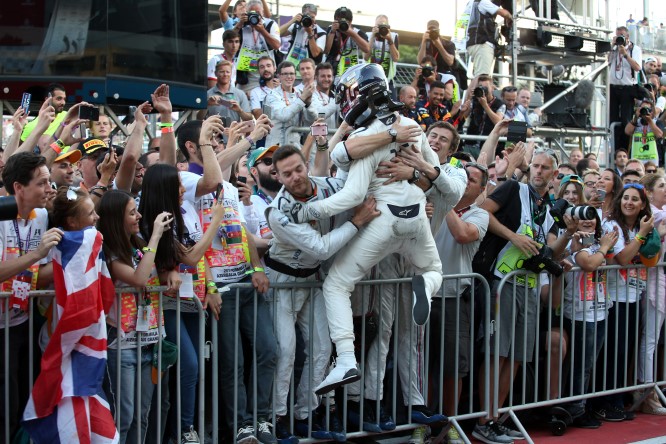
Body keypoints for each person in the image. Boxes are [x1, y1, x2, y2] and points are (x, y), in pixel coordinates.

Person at [279, 63, 465, 395]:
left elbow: (348, 189)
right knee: (433, 268)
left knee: (336, 285)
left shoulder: (366, 138)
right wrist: (418, 167)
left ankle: (346, 359)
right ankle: (428, 285)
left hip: (384, 220)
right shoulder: (411, 127)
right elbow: (447, 188)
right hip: (416, 219)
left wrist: (307, 209)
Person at [266, 144, 379, 440]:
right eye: (287, 174)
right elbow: (321, 247)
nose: (295, 177)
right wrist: (357, 221)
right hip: (282, 283)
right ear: (277, 177)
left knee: (322, 349)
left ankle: (305, 413)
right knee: (286, 353)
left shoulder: (326, 186)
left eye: (298, 169)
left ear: (306, 165)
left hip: (313, 279)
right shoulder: (279, 213)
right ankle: (276, 417)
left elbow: (352, 187)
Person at [472, 148, 560, 444]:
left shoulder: (545, 206)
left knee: (518, 356)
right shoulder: (513, 188)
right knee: (498, 352)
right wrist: (513, 236)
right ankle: (484, 420)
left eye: (545, 168)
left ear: (553, 175)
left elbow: (550, 247)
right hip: (502, 282)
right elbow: (481, 211)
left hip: (531, 285)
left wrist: (567, 237)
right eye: (535, 165)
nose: (538, 171)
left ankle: (496, 418)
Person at [139, 164, 226, 444]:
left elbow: (199, 257)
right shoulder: (154, 219)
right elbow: (190, 256)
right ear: (163, 188)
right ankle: (184, 430)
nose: (182, 188)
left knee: (194, 365)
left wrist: (211, 286)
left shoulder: (186, 209)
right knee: (188, 365)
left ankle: (183, 428)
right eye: (176, 184)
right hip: (167, 304)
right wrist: (215, 222)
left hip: (194, 299)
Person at [96, 189, 173, 444]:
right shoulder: (109, 251)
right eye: (132, 213)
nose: (138, 216)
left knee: (142, 414)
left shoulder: (138, 244)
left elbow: (153, 273)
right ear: (116, 219)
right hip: (122, 343)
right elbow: (139, 278)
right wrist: (156, 235)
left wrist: (171, 272)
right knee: (124, 416)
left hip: (149, 339)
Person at [0, 152, 62, 439]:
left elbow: (37, 270)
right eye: (41, 183)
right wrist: (37, 254)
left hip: (23, 319)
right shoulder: (0, 217)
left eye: (49, 181)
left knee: (25, 398)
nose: (49, 189)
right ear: (18, 188)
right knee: (5, 402)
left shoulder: (43, 216)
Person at [431, 162, 489, 444]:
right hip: (422, 295)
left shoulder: (480, 214)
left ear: (482, 189)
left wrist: (443, 198)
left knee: (454, 367)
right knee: (425, 367)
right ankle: (426, 423)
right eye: (462, 177)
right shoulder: (431, 201)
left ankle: (450, 423)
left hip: (454, 298)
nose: (465, 182)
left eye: (473, 179)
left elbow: (463, 234)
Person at [591, 184, 654, 422]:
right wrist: (641, 235)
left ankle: (616, 400)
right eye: (625, 198)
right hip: (613, 298)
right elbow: (624, 259)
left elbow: (650, 256)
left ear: (642, 205)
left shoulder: (642, 226)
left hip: (634, 296)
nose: (629, 202)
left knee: (624, 353)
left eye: (634, 199)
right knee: (611, 353)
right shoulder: (611, 225)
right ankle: (603, 402)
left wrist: (648, 233)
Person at [560, 213, 619, 427]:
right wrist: (602, 247)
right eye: (582, 217)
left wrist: (605, 246)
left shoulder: (597, 244)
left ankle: (583, 405)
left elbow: (609, 260)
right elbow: (589, 263)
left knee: (589, 363)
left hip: (600, 309)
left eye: (592, 217)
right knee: (581, 365)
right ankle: (576, 409)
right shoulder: (575, 246)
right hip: (580, 313)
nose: (587, 221)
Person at [636, 173, 666, 415]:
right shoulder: (652, 217)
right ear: (649, 191)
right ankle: (647, 393)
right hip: (653, 282)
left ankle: (652, 390)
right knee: (650, 340)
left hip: (660, 281)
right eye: (661, 186)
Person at [232, 0, 281, 93]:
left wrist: (262, 30)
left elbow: (276, 45)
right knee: (241, 100)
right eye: (252, 12)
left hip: (267, 75)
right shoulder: (241, 24)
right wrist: (240, 24)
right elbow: (229, 38)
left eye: (258, 12)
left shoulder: (270, 24)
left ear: (262, 12)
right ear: (246, 12)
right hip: (246, 76)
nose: (255, 15)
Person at [264, 61, 316, 148]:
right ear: (279, 76)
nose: (289, 76)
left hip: (294, 146)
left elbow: (311, 119)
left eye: (291, 73)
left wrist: (308, 104)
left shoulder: (300, 94)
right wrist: (302, 99)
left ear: (295, 76)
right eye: (285, 74)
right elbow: (283, 115)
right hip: (275, 146)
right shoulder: (272, 95)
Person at [608, 26, 642, 152]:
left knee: (625, 120)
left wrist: (626, 55)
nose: (620, 38)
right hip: (613, 86)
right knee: (613, 120)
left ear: (627, 37)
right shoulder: (614, 49)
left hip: (628, 87)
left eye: (621, 36)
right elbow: (607, 61)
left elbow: (638, 67)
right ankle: (615, 148)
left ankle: (624, 149)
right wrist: (612, 48)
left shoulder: (635, 49)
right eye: (618, 36)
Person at [464, 0, 513, 76]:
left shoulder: (470, 3)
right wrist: (511, 17)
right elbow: (504, 13)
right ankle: (478, 88)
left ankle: (474, 88)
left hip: (473, 42)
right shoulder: (483, 2)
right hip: (482, 44)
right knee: (483, 78)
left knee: (480, 77)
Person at [461, 75, 505, 158]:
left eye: (485, 88)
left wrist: (485, 105)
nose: (483, 90)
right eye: (480, 87)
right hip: (470, 143)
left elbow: (498, 122)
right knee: (462, 166)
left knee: (483, 169)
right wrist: (469, 98)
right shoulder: (474, 100)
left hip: (487, 145)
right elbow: (462, 118)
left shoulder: (499, 104)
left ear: (492, 88)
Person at [323, 6, 370, 79]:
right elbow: (326, 50)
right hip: (333, 72)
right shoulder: (331, 29)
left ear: (351, 22)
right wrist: (332, 32)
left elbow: (367, 49)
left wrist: (351, 33)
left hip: (352, 73)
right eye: (340, 21)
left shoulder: (358, 32)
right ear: (335, 20)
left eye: (345, 22)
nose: (342, 24)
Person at [417, 20, 464, 88]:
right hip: (428, 75)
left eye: (434, 30)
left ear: (439, 31)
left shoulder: (448, 44)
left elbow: (450, 62)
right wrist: (423, 42)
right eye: (430, 30)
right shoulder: (425, 44)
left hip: (444, 76)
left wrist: (439, 45)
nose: (432, 31)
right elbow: (420, 62)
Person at [280, 3, 326, 68]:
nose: (310, 19)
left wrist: (310, 34)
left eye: (312, 17)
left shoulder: (320, 32)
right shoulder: (296, 26)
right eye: (307, 16)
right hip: (292, 68)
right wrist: (292, 21)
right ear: (302, 15)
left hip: (309, 70)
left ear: (315, 16)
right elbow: (278, 33)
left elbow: (315, 53)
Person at [366, 15, 400, 93]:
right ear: (374, 26)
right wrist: (372, 37)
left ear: (388, 27)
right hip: (371, 80)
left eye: (383, 26)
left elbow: (396, 58)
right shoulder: (368, 35)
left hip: (388, 81)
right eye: (379, 26)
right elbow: (366, 57)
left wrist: (389, 40)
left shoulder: (393, 36)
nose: (381, 28)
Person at [626, 98, 663, 164]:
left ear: (651, 111)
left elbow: (659, 135)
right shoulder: (635, 122)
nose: (644, 111)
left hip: (652, 161)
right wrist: (636, 117)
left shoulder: (656, 122)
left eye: (647, 109)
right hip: (636, 160)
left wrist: (650, 121)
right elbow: (627, 131)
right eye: (642, 108)